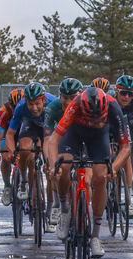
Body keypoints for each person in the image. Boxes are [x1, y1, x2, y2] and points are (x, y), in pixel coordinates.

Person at [48, 87, 130, 258]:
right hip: (75, 134)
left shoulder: (114, 107)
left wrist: (113, 168)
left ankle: (95, 235)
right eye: (90, 117)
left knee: (101, 177)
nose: (93, 120)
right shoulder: (75, 104)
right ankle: (64, 209)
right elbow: (54, 139)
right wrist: (52, 164)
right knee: (63, 167)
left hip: (99, 137)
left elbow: (126, 147)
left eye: (98, 117)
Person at [5, 82, 57, 202]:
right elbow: (10, 134)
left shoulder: (54, 103)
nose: (34, 108)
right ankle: (23, 182)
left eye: (37, 104)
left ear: (43, 99)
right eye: (30, 104)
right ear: (26, 101)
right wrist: (14, 153)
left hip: (48, 128)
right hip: (30, 125)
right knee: (24, 148)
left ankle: (51, 205)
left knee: (50, 169)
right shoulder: (21, 106)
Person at [43, 78, 83, 230]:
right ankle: (60, 203)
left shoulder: (86, 105)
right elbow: (47, 138)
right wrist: (50, 160)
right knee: (60, 168)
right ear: (59, 96)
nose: (68, 102)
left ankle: (86, 210)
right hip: (61, 137)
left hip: (82, 136)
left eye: (72, 98)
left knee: (89, 176)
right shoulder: (53, 108)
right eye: (65, 97)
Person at [114, 74, 133, 218]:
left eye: (130, 94)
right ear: (116, 91)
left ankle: (128, 201)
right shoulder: (110, 102)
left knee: (127, 160)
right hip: (111, 130)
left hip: (127, 131)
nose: (126, 97)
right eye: (123, 93)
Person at [0, 88, 24, 205]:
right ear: (9, 103)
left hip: (23, 133)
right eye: (13, 106)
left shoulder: (28, 108)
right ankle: (7, 187)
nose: (16, 109)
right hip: (8, 134)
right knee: (6, 157)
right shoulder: (4, 110)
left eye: (18, 105)